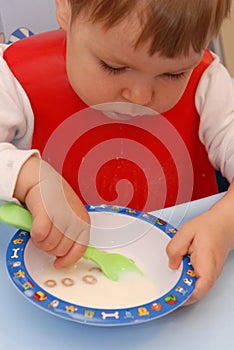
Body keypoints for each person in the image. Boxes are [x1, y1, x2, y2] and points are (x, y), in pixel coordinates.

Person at [0, 0, 234, 304]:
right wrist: (27, 176)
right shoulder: (14, 78)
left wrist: (225, 224)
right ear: (66, 9)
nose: (140, 95)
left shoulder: (209, 83)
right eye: (114, 67)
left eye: (173, 74)